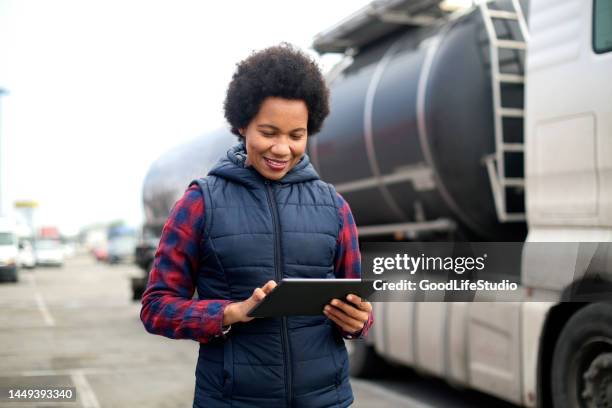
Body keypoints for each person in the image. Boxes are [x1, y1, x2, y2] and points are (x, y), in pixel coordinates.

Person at [140, 43, 373, 408]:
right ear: (241, 124)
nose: (282, 148)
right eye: (269, 132)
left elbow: (355, 311)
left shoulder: (334, 206)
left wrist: (357, 321)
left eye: (296, 135)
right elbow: (156, 307)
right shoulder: (201, 202)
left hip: (326, 400)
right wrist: (230, 313)